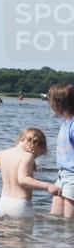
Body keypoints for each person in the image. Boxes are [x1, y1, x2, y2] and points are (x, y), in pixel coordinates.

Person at [0, 128, 60, 217]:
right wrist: (47, 186)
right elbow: (23, 180)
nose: (36, 156)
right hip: (20, 205)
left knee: (3, 236)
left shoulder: (2, 153)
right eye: (40, 153)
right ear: (36, 145)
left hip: (3, 204)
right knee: (22, 236)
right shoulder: (27, 156)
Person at [48, 83, 74, 218]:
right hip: (62, 174)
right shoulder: (66, 123)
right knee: (55, 216)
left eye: (51, 103)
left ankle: (69, 238)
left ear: (59, 104)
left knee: (69, 220)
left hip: (72, 176)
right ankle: (57, 239)